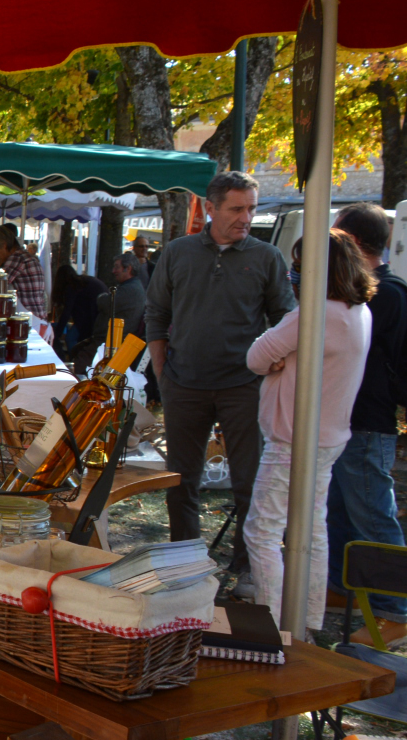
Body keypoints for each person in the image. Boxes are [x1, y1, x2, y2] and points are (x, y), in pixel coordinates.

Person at [145, 171, 294, 598]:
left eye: (251, 208)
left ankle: (247, 568)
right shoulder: (178, 252)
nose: (246, 217)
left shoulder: (266, 257)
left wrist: (273, 367)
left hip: (244, 386)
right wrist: (161, 371)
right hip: (184, 384)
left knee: (250, 481)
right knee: (181, 480)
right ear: (210, 208)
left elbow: (286, 319)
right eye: (237, 208)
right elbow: (156, 311)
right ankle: (184, 566)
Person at [244, 229, 374, 629]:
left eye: (299, 267)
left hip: (293, 440)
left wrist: (278, 359)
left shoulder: (315, 314)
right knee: (312, 528)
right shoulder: (358, 311)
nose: (293, 275)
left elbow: (256, 356)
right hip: (328, 437)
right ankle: (309, 619)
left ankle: (275, 622)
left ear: (320, 269)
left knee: (262, 532)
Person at [328, 203, 407, 644]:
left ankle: (396, 609)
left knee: (373, 516)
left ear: (353, 243)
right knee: (341, 509)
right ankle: (344, 588)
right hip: (348, 421)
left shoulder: (387, 293)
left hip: (366, 423)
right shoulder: (378, 290)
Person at [0, 225, 45, 319]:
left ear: (4, 245)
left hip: (30, 320)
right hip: (35, 317)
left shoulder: (17, 258)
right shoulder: (24, 256)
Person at [92, 251, 148, 348]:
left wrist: (102, 297)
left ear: (128, 269)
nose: (113, 271)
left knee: (80, 360)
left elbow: (105, 303)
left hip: (112, 344)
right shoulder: (132, 286)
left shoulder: (130, 289)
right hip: (111, 341)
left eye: (117, 267)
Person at [50, 265, 106, 359]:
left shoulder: (71, 287)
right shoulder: (83, 282)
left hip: (91, 318)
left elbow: (67, 312)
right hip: (98, 316)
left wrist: (58, 334)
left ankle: (75, 360)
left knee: (70, 338)